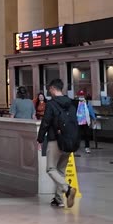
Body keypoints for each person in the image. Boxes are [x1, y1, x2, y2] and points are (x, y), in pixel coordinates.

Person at [36, 78, 78, 209]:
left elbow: (46, 122)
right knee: (61, 170)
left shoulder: (52, 104)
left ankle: (68, 189)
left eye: (50, 90)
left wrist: (40, 139)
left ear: (53, 89)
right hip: (70, 140)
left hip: (55, 140)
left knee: (51, 169)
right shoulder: (71, 103)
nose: (50, 92)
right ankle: (58, 199)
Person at [75, 90, 97, 155]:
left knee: (87, 135)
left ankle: (87, 147)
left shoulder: (87, 103)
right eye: (80, 95)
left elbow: (91, 111)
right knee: (77, 135)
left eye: (82, 95)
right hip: (78, 121)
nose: (81, 96)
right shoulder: (76, 103)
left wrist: (94, 118)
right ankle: (76, 147)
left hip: (85, 121)